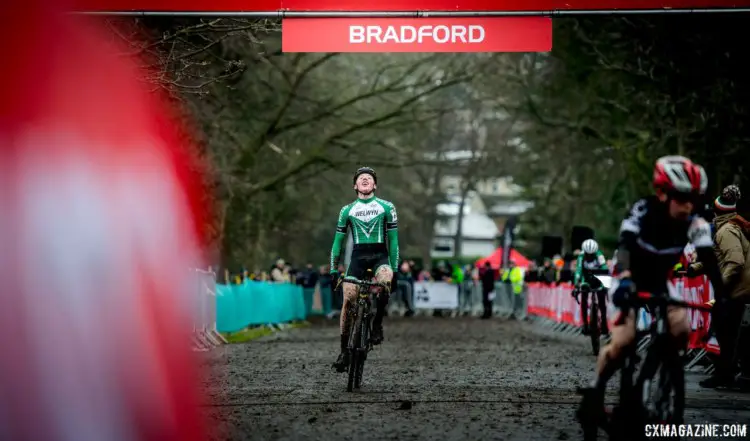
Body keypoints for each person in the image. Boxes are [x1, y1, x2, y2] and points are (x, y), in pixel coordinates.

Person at [577, 156, 727, 423]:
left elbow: (710, 260)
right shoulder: (641, 211)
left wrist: (722, 294)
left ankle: (663, 377)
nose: (688, 205)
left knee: (680, 329)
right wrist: (623, 281)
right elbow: (623, 250)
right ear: (661, 193)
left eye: (694, 198)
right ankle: (596, 388)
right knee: (623, 342)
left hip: (660, 281)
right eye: (681, 198)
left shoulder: (695, 223)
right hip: (629, 277)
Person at [329, 167, 399, 372]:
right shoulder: (347, 210)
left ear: (375, 185)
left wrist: (395, 269)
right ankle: (344, 351)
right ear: (355, 185)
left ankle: (377, 323)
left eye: (369, 178)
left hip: (380, 256)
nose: (365, 179)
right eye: (361, 178)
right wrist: (334, 270)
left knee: (385, 279)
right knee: (348, 297)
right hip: (357, 258)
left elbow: (394, 241)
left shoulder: (387, 207)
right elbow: (337, 243)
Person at [699, 184, 750, 388]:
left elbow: (735, 262)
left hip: (740, 291)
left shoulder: (726, 230)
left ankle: (725, 373)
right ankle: (728, 371)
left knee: (724, 328)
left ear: (716, 211)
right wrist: (695, 268)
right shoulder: (732, 226)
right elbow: (721, 258)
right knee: (730, 331)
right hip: (742, 290)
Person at [573, 239, 610, 335]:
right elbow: (578, 270)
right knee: (584, 298)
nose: (589, 256)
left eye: (591, 254)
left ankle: (604, 323)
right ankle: (585, 324)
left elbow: (605, 268)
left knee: (602, 300)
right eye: (587, 254)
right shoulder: (581, 256)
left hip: (598, 278)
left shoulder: (599, 254)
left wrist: (605, 283)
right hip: (587, 279)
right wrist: (576, 283)